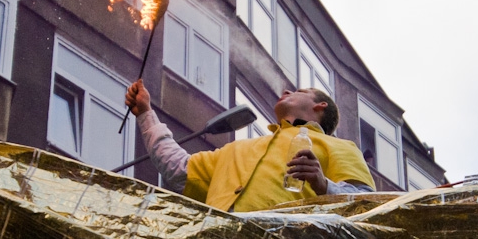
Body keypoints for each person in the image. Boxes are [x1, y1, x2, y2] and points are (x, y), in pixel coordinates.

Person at [124, 80, 375, 212]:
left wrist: (323, 184)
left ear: (321, 106)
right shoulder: (238, 150)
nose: (286, 90)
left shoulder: (340, 146)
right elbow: (178, 169)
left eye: (299, 91)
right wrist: (146, 113)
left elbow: (368, 205)